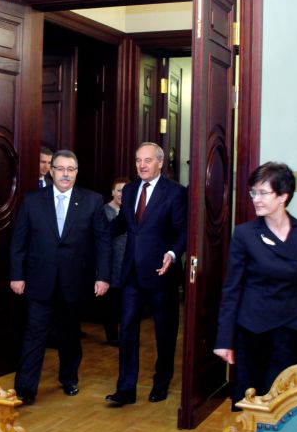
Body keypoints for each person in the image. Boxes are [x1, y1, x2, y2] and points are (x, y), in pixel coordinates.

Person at [213, 162, 297, 410]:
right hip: (254, 333)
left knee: (291, 408)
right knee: (255, 408)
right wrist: (224, 339)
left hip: (292, 333)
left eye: (263, 193)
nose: (255, 199)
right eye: (253, 193)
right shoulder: (245, 234)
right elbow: (232, 290)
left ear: (283, 196)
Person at [10, 149, 111, 405]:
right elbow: (19, 241)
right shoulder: (32, 200)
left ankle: (69, 378)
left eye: (70, 169)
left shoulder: (92, 201)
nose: (65, 174)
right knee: (34, 335)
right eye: (60, 169)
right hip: (39, 280)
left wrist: (103, 276)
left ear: (76, 172)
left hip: (74, 282)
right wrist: (17, 275)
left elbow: (103, 242)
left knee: (69, 335)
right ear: (51, 171)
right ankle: (25, 389)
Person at [105, 142, 187, 406]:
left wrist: (172, 253)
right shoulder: (129, 190)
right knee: (127, 330)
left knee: (164, 332)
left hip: (162, 273)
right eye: (138, 160)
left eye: (148, 160)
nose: (141, 165)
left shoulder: (175, 192)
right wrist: (96, 234)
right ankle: (126, 389)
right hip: (132, 273)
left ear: (160, 163)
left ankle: (161, 383)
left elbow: (183, 231)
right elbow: (122, 223)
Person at [102, 177, 129, 347]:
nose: (122, 194)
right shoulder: (104, 211)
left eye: (125, 191)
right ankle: (112, 336)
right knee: (111, 305)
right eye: (119, 190)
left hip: (128, 265)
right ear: (113, 192)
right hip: (111, 265)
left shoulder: (133, 211)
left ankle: (126, 335)